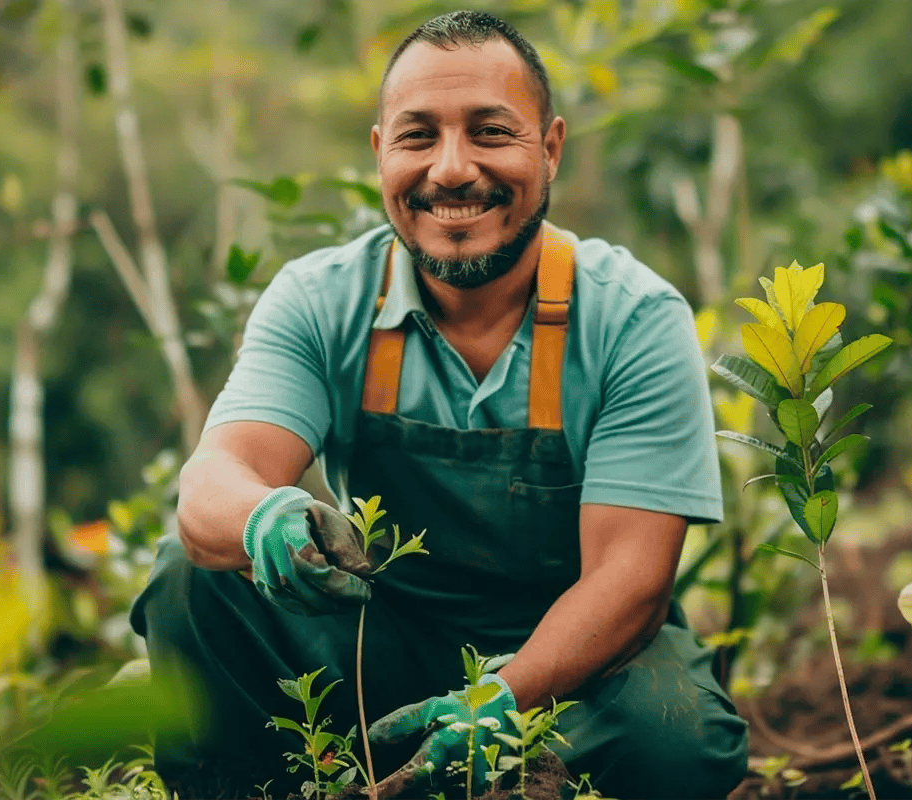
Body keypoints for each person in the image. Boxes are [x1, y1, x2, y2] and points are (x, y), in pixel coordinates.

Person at [130, 10, 749, 800]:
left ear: (550, 147)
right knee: (194, 572)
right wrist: (265, 517)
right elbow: (216, 478)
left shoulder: (632, 318)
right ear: (381, 150)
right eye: (419, 136)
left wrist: (503, 700)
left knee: (677, 743)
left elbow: (631, 578)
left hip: (579, 668)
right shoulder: (321, 300)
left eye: (491, 132)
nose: (452, 170)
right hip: (382, 649)